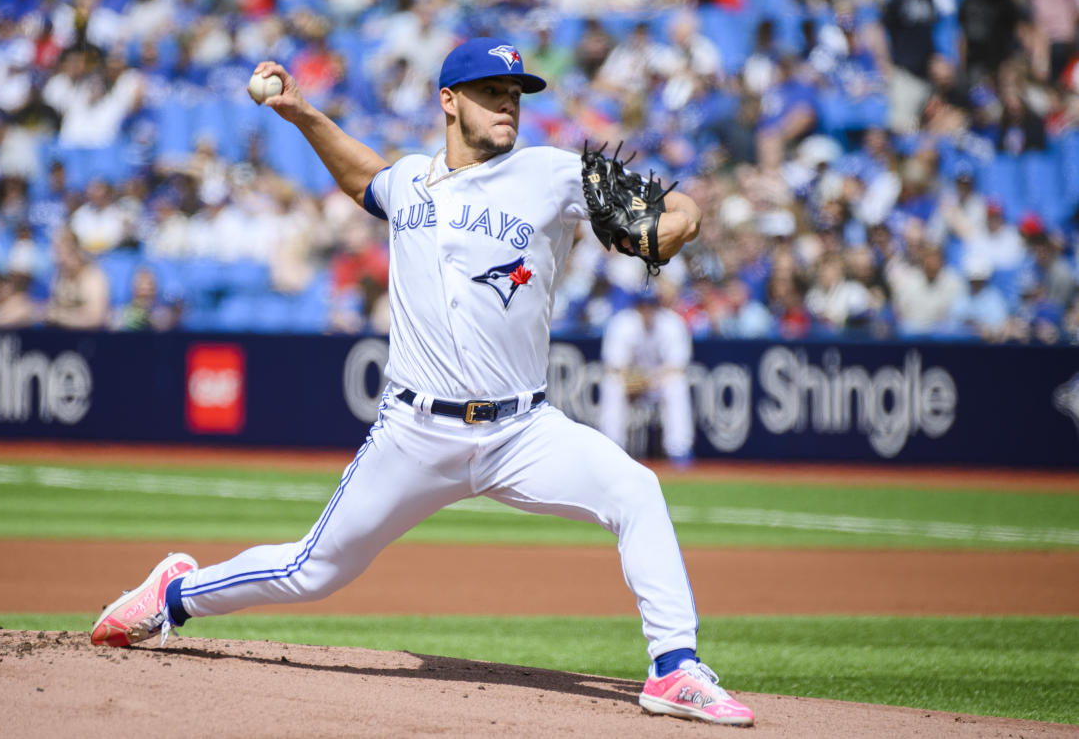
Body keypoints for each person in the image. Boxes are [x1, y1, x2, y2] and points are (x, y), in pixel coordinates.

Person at [90, 38, 754, 727]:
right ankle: (175, 594)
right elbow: (362, 180)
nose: (507, 103)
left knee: (635, 490)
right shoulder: (408, 181)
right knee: (314, 571)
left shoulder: (552, 175)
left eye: (516, 93)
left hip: (521, 430)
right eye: (491, 90)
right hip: (414, 432)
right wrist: (299, 112)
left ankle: (674, 667)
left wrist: (668, 225)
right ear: (448, 101)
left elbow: (675, 217)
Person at [599, 292, 696, 466]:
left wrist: (650, 379)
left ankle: (679, 449)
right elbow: (613, 366)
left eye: (651, 306)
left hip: (659, 381)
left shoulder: (672, 323)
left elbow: (678, 366)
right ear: (637, 307)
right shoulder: (623, 323)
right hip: (631, 380)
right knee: (611, 385)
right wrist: (633, 379)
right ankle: (612, 446)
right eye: (643, 306)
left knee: (677, 385)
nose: (647, 311)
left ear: (658, 307)